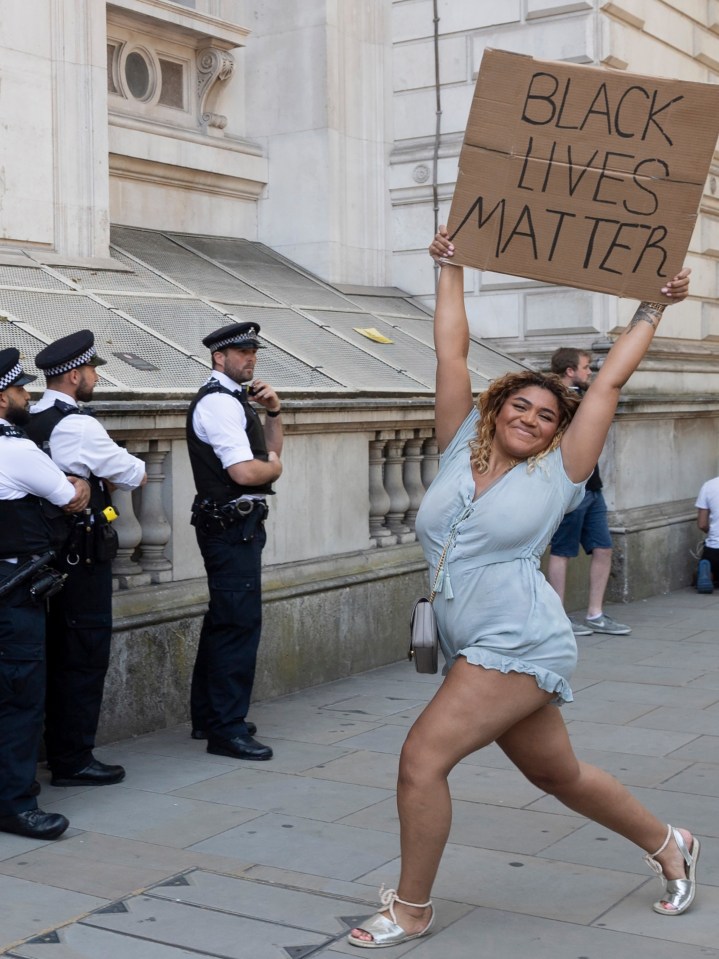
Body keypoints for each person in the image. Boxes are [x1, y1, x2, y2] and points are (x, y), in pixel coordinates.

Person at [348, 230, 697, 948]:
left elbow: (604, 385)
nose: (531, 419)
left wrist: (649, 308)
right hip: (469, 637)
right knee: (557, 773)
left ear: (554, 434)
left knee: (422, 759)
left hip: (517, 637)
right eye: (521, 406)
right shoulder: (455, 448)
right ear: (498, 405)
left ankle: (411, 908)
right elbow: (451, 353)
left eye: (545, 416)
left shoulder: (558, 475)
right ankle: (670, 841)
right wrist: (449, 268)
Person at [25, 330, 147, 788]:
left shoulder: (30, 417)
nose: (96, 377)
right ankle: (73, 759)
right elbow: (133, 473)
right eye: (93, 370)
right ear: (75, 375)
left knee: (53, 654)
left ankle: (53, 750)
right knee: (83, 655)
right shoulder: (78, 424)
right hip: (82, 559)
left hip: (44, 558)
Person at [0, 348, 90, 838]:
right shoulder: (14, 448)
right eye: (17, 390)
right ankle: (14, 804)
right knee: (19, 697)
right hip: (13, 595)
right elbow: (69, 497)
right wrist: (81, 484)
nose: (26, 396)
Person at [186, 321, 282, 761]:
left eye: (254, 353)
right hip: (230, 526)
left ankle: (211, 716)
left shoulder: (235, 401)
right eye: (242, 353)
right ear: (218, 358)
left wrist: (274, 413)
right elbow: (247, 473)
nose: (251, 359)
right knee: (237, 626)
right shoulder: (220, 405)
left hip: (235, 525)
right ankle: (226, 729)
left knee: (225, 620)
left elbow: (266, 455)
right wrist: (275, 468)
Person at [546, 348, 630, 637]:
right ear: (570, 371)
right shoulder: (557, 399)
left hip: (593, 486)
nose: (589, 372)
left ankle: (596, 614)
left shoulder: (583, 397)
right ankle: (558, 618)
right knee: (562, 551)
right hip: (570, 487)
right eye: (585, 367)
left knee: (603, 548)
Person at [695, 474, 719, 591]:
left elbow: (702, 524)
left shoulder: (709, 486)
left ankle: (708, 572)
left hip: (714, 550)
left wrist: (713, 532)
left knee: (711, 559)